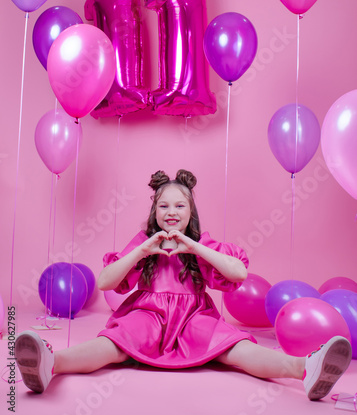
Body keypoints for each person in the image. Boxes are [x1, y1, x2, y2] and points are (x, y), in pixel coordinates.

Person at [15, 169, 352, 400]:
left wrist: (194, 247)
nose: (171, 212)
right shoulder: (144, 242)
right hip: (147, 314)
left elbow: (237, 274)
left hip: (193, 316)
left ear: (191, 211)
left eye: (180, 205)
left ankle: (304, 369)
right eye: (163, 206)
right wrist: (143, 250)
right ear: (154, 212)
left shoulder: (200, 244)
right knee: (111, 345)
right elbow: (106, 281)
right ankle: (49, 363)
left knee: (237, 349)